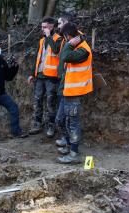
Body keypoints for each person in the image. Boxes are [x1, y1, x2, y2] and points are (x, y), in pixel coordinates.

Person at [55, 22, 92, 164]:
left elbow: (65, 57)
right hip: (67, 91)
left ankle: (74, 153)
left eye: (66, 38)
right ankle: (69, 146)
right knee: (60, 120)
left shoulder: (83, 50)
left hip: (75, 92)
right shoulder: (76, 46)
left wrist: (69, 44)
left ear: (69, 36)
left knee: (72, 123)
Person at [28, 17, 62, 137]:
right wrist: (33, 74)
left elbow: (56, 50)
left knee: (50, 102)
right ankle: (37, 123)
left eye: (44, 27)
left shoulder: (59, 39)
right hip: (40, 76)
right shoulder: (42, 40)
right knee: (37, 100)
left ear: (51, 26)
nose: (42, 29)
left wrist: (49, 37)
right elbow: (37, 58)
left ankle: (51, 125)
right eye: (42, 27)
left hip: (51, 77)